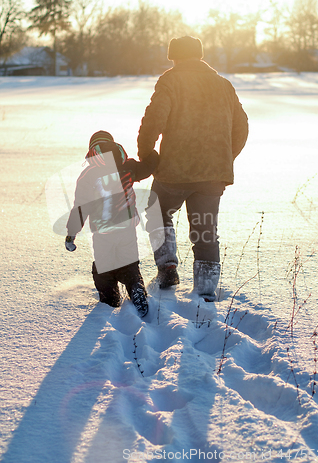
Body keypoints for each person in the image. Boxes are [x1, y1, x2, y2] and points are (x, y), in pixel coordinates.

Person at [137, 36, 248, 301]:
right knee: (205, 230)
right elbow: (242, 127)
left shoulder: (171, 81)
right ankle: (206, 290)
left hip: (175, 172)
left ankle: (167, 268)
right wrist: (223, 158)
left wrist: (147, 155)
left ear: (174, 57)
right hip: (212, 176)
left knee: (157, 211)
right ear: (199, 56)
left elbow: (154, 120)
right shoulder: (223, 85)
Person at [65, 130, 159, 318]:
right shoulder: (128, 166)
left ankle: (110, 301)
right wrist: (153, 155)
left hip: (103, 232)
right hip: (127, 228)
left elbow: (80, 207)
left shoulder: (88, 175)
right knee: (129, 263)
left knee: (103, 267)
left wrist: (71, 232)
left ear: (92, 150)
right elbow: (149, 167)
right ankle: (136, 288)